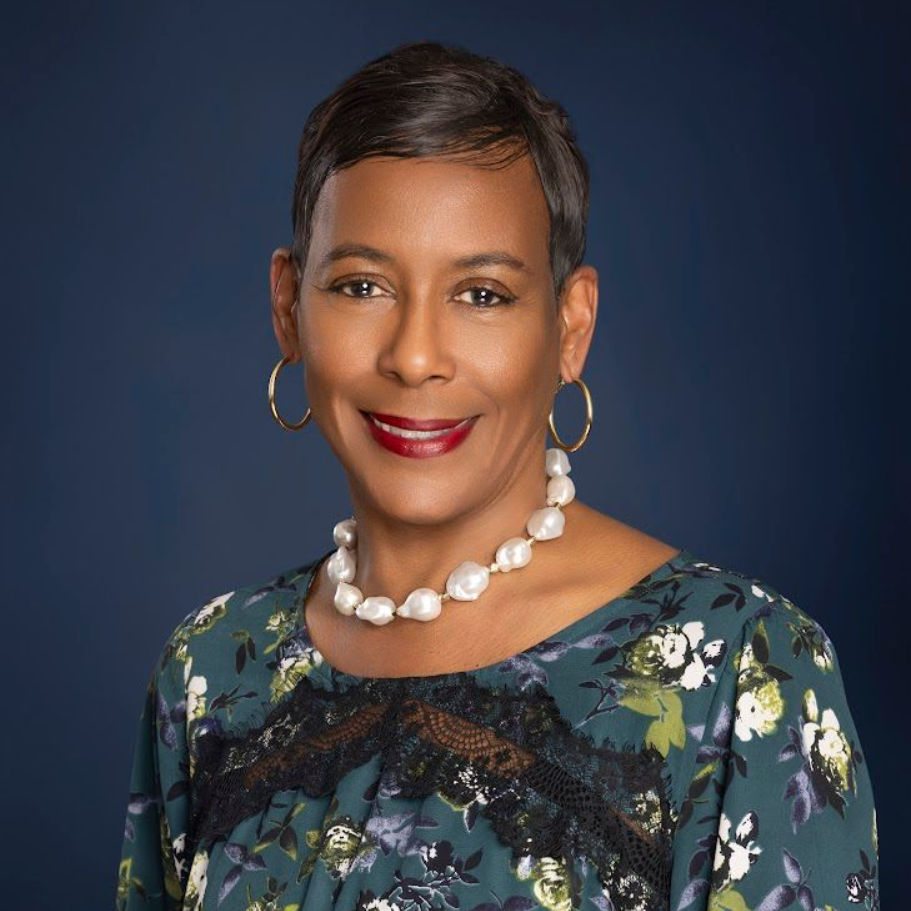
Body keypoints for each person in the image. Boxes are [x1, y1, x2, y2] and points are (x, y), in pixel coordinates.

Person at [114, 40, 879, 911]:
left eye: (481, 294)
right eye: (362, 285)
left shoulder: (744, 668)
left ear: (570, 327)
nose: (414, 356)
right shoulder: (211, 669)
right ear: (289, 306)